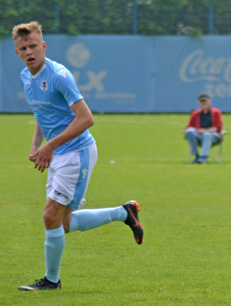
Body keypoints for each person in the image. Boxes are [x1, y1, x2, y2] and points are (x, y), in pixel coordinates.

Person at [13, 21, 144, 291]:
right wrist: (36, 145)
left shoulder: (59, 75)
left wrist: (49, 147)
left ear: (44, 46)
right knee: (62, 222)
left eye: (34, 46)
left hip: (76, 152)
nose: (29, 52)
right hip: (59, 153)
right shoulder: (26, 77)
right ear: (17, 52)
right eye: (23, 48)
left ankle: (51, 280)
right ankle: (124, 213)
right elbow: (43, 113)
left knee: (51, 217)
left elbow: (86, 119)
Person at [184, 93, 224, 164]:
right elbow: (189, 126)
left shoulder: (216, 112)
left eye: (205, 101)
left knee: (207, 134)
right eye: (202, 101)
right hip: (199, 136)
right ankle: (196, 155)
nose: (204, 103)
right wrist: (197, 131)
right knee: (189, 131)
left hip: (213, 136)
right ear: (199, 103)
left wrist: (205, 131)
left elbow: (218, 128)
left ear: (210, 101)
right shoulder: (196, 113)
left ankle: (203, 157)